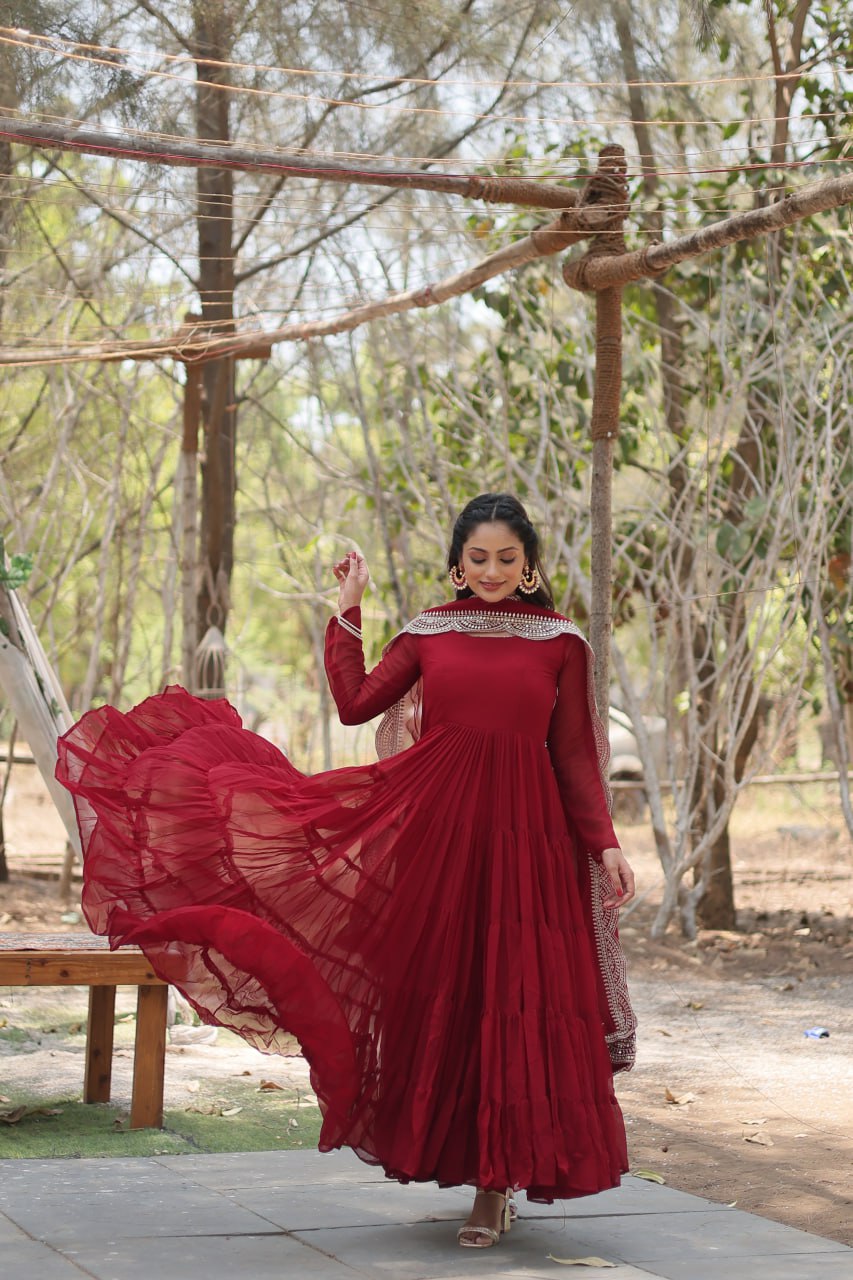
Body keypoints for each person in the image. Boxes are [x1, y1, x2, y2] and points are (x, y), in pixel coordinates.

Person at [56, 492, 636, 1251]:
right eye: (477, 558)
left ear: (529, 568)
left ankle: (495, 1186)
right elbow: (355, 704)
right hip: (438, 833)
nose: (491, 571)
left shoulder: (560, 642)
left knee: (514, 997)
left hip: (529, 846)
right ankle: (465, 1167)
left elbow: (574, 758)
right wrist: (349, 608)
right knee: (449, 997)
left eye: (506, 559)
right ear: (456, 566)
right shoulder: (429, 632)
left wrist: (605, 842)